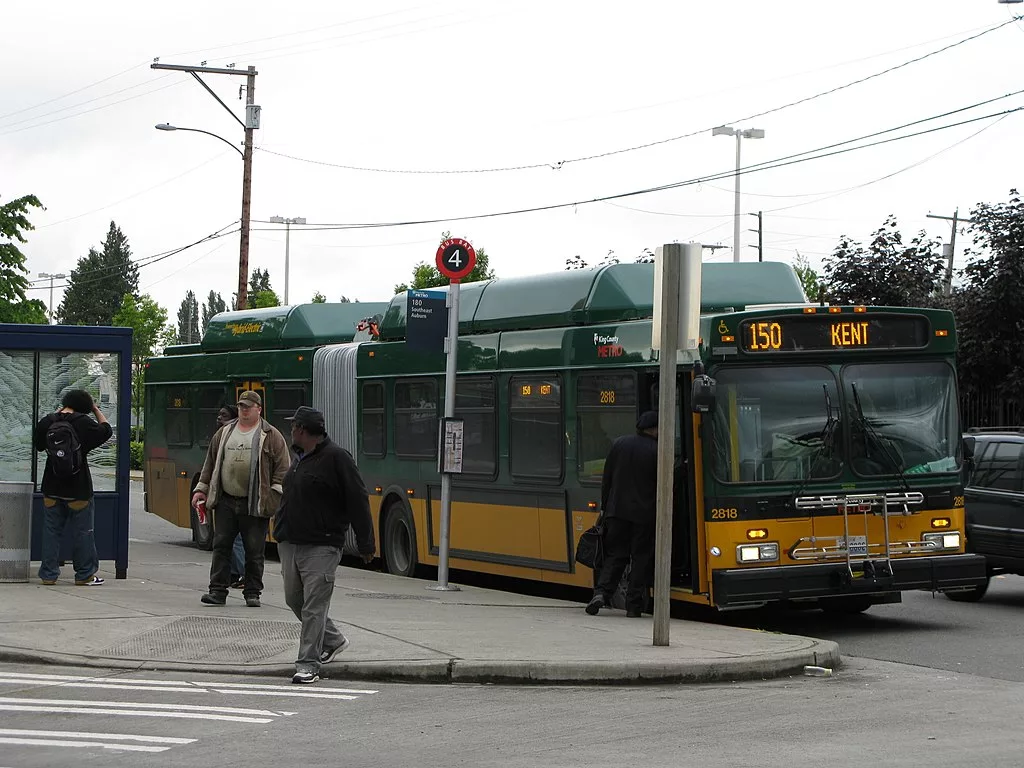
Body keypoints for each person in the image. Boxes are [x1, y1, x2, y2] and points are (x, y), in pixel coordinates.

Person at [274, 406, 375, 685]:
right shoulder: (299, 458)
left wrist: (366, 543)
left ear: (303, 430)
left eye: (293, 426)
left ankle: (308, 664)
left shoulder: (337, 458)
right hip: (291, 542)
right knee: (294, 600)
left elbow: (358, 501)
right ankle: (333, 639)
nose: (290, 431)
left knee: (314, 606)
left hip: (322, 545)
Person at [191, 391, 291, 608]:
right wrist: (201, 490)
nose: (244, 410)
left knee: (254, 551)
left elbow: (283, 470)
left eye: (248, 406)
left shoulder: (271, 435)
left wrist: (273, 497)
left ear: (259, 409)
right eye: (241, 406)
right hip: (226, 500)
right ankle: (217, 590)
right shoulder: (225, 433)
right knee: (221, 545)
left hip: (254, 502)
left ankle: (252, 592)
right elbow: (210, 464)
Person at [34, 389, 113, 586]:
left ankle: (48, 575)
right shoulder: (83, 423)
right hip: (78, 488)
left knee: (51, 531)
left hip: (51, 486)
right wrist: (95, 409)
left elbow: (39, 445)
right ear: (85, 406)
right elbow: (106, 430)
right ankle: (85, 574)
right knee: (83, 532)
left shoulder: (48, 421)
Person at [586, 410, 659, 618]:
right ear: (654, 429)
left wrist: (605, 507)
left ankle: (601, 593)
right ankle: (633, 605)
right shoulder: (657, 450)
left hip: (616, 512)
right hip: (643, 515)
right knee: (640, 558)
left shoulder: (619, 444)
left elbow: (606, 479)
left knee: (615, 555)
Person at [215, 404, 247, 589]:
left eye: (224, 415)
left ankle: (242, 573)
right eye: (219, 415)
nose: (219, 418)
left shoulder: (239, 439)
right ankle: (233, 574)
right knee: (227, 539)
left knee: (237, 539)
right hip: (224, 497)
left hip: (239, 496)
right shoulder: (220, 437)